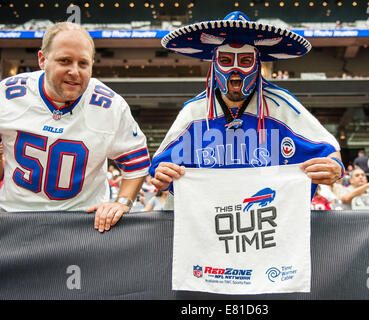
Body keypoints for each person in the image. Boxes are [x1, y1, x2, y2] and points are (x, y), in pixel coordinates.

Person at [150, 11, 344, 198]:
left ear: (258, 64)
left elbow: (329, 152)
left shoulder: (281, 106)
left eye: (245, 61)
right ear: (214, 65)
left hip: (269, 221)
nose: (235, 70)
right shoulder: (194, 112)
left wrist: (335, 167)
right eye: (225, 60)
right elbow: (160, 169)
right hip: (212, 221)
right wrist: (163, 176)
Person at [0, 22, 150, 232]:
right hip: (14, 218)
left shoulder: (111, 106)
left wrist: (122, 203)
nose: (74, 71)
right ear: (42, 60)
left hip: (83, 224)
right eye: (65, 61)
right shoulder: (7, 96)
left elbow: (137, 162)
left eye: (83, 63)